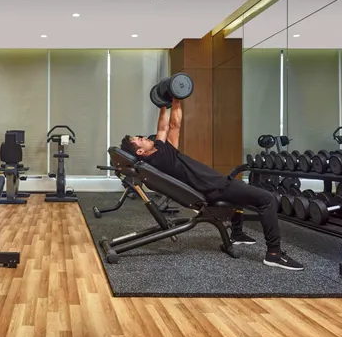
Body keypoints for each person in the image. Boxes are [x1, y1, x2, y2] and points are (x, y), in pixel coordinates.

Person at [120, 97, 304, 271]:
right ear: (140, 152)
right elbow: (174, 125)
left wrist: (162, 105)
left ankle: (237, 234)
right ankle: (274, 253)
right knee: (267, 199)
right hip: (214, 188)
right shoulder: (162, 157)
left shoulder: (156, 156)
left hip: (212, 185)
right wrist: (176, 100)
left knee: (239, 192)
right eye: (140, 140)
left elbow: (162, 128)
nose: (145, 137)